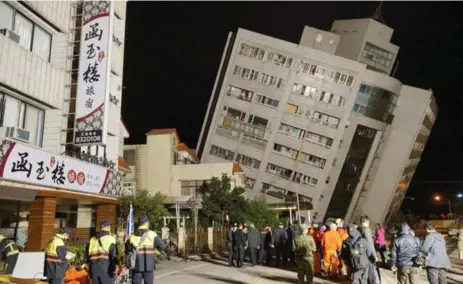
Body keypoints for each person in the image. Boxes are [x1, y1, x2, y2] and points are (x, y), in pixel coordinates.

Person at [125, 216, 165, 284]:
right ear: (146, 223)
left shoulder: (131, 235)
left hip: (136, 265)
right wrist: (156, 252)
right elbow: (162, 245)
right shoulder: (151, 234)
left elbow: (127, 250)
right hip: (149, 265)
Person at [87, 220, 118, 284]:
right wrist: (116, 265)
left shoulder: (92, 239)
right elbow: (114, 254)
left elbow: (87, 254)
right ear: (109, 227)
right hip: (106, 268)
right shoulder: (111, 238)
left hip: (94, 267)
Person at [360, 216, 380, 284]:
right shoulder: (367, 230)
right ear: (367, 222)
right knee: (370, 272)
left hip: (361, 253)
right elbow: (370, 243)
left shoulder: (360, 229)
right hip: (368, 254)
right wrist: (375, 256)